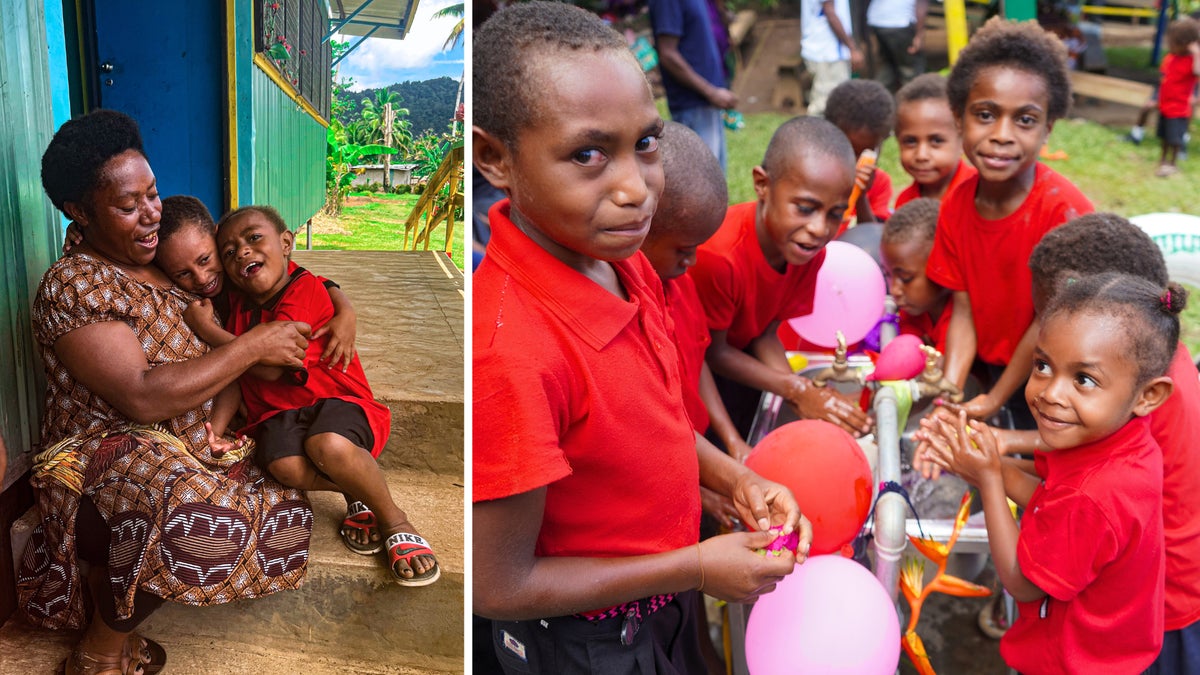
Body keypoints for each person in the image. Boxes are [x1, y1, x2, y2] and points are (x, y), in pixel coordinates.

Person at [471, 4, 811, 671]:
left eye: (646, 143)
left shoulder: (626, 261)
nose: (638, 188)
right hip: (586, 641)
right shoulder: (505, 352)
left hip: (664, 596)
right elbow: (498, 584)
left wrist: (734, 474)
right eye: (589, 154)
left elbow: (643, 423)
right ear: (494, 158)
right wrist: (694, 565)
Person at [17, 109, 313, 674]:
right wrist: (252, 347)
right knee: (201, 514)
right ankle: (101, 650)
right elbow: (142, 397)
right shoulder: (77, 283)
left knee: (281, 496)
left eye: (152, 194)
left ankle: (124, 618)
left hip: (187, 443)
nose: (151, 213)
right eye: (128, 207)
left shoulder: (164, 257)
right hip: (102, 458)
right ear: (80, 213)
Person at [923, 213, 1200, 666]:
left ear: (1148, 395)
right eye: (1043, 365)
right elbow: (1058, 496)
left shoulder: (1103, 487)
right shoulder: (1127, 434)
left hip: (1089, 651)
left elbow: (1021, 581)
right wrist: (983, 461)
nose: (1050, 393)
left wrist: (991, 480)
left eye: (1084, 378)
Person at [191, 205, 439, 585]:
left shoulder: (301, 290)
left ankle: (393, 519)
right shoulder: (239, 304)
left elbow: (272, 365)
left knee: (329, 446)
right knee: (285, 468)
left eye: (254, 238)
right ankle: (358, 487)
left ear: (287, 242)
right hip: (278, 415)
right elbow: (235, 373)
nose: (241, 251)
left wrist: (208, 332)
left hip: (337, 402)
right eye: (228, 252)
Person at [926, 17, 1093, 427]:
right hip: (993, 368)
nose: (1002, 134)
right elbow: (963, 308)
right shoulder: (956, 204)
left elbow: (1050, 321)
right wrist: (949, 390)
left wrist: (995, 399)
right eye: (985, 114)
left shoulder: (1063, 213)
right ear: (958, 116)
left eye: (1025, 120)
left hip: (1056, 380)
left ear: (1047, 129)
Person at [691, 116, 872, 439]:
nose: (819, 229)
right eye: (804, 208)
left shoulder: (806, 251)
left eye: (834, 214)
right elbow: (713, 353)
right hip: (700, 376)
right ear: (762, 185)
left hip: (744, 363)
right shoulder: (720, 256)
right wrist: (796, 388)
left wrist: (804, 396)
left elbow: (765, 331)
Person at [640, 120, 743, 675]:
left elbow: (700, 360)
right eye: (683, 247)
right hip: (671, 492)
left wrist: (729, 449)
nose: (693, 261)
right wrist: (707, 493)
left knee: (695, 610)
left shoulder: (678, 281)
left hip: (698, 463)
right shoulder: (633, 304)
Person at [648, 0, 738, 171]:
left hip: (707, 104)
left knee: (716, 181)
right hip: (692, 105)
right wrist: (711, 92)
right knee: (703, 185)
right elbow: (668, 53)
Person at [893, 73, 977, 207]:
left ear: (963, 140)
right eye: (910, 141)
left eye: (936, 141)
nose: (921, 155)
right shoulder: (905, 203)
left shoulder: (981, 194)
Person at [880, 198, 951, 352]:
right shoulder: (914, 311)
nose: (894, 290)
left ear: (943, 266)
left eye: (906, 278)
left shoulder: (959, 319)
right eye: (888, 275)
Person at [823, 79, 896, 223]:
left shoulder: (879, 183)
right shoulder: (814, 176)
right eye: (850, 151)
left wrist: (860, 196)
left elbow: (871, 236)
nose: (856, 163)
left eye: (867, 154)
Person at [1152, 18, 1200, 178]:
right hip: (1165, 105)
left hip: (1179, 109)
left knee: (1175, 138)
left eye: (1173, 43)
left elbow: (1198, 72)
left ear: (1185, 44)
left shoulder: (1192, 61)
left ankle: (1172, 163)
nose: (1169, 46)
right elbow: (1163, 76)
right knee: (1164, 136)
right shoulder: (1171, 57)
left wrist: (1196, 52)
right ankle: (1163, 160)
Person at [801, 0, 864, 117]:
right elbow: (830, 12)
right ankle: (813, 134)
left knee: (834, 103)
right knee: (825, 105)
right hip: (828, 51)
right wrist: (852, 48)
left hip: (820, 49)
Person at [866, 0, 928, 91]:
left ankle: (877, 98)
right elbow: (921, 5)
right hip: (900, 22)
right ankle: (913, 99)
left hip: (877, 20)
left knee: (888, 66)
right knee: (911, 71)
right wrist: (919, 35)